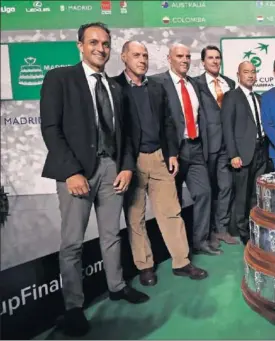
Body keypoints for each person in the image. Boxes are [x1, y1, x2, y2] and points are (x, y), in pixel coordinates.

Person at [39, 22, 148, 337]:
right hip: (75, 172)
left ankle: (116, 286)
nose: (101, 49)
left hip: (111, 169)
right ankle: (74, 308)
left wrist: (126, 167)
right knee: (72, 243)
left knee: (112, 234)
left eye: (106, 44)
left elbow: (127, 134)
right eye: (94, 42)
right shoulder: (60, 78)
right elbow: (51, 129)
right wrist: (71, 171)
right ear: (80, 45)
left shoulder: (116, 87)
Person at [115, 40, 208, 286]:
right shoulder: (115, 87)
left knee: (171, 212)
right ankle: (145, 266)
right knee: (135, 217)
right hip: (131, 162)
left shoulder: (156, 87)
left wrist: (172, 154)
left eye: (145, 55)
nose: (142, 60)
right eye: (136, 55)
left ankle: (181, 261)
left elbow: (168, 123)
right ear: (124, 57)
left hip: (159, 157)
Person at [151, 44, 219, 256]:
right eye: (180, 56)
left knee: (204, 193)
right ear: (169, 58)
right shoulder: (157, 83)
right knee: (173, 200)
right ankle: (178, 250)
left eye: (188, 56)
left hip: (195, 147)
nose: (185, 60)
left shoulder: (194, 84)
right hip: (172, 150)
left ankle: (200, 241)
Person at [195, 45, 238, 247]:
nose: (214, 61)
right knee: (208, 189)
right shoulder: (196, 84)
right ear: (203, 62)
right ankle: (208, 231)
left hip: (227, 145)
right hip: (206, 145)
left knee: (226, 187)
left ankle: (221, 229)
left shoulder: (229, 83)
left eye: (217, 57)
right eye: (210, 58)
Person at [220, 61, 267, 244]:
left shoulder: (258, 98)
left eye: (253, 72)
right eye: (246, 72)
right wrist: (233, 155)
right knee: (242, 196)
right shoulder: (231, 96)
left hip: (260, 152)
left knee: (256, 195)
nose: (250, 75)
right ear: (238, 75)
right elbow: (227, 127)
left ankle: (254, 227)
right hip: (242, 155)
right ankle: (243, 232)